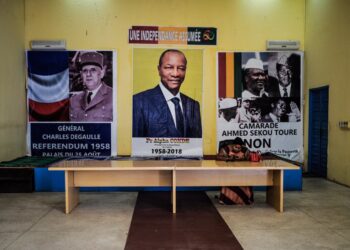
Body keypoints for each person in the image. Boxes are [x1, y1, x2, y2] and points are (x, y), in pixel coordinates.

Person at [133, 49, 202, 138]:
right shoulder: (139, 102)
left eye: (181, 68)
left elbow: (196, 146)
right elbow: (136, 146)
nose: (175, 73)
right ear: (159, 70)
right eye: (169, 67)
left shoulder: (194, 105)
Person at [69, 51, 113, 121]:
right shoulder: (74, 100)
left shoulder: (114, 97)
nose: (88, 74)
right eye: (85, 71)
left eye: (93, 70)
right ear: (81, 74)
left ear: (102, 73)